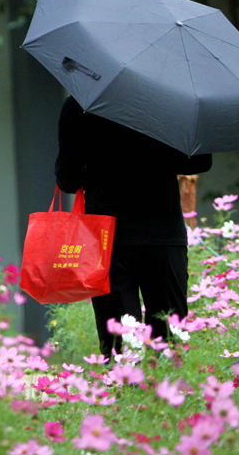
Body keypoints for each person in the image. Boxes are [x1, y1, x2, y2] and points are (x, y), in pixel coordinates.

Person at [54, 95, 212, 360]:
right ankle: (164, 399)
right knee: (168, 344)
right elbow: (198, 162)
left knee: (119, 349)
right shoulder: (170, 100)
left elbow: (68, 179)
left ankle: (123, 399)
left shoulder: (81, 102)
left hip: (108, 238)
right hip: (163, 234)